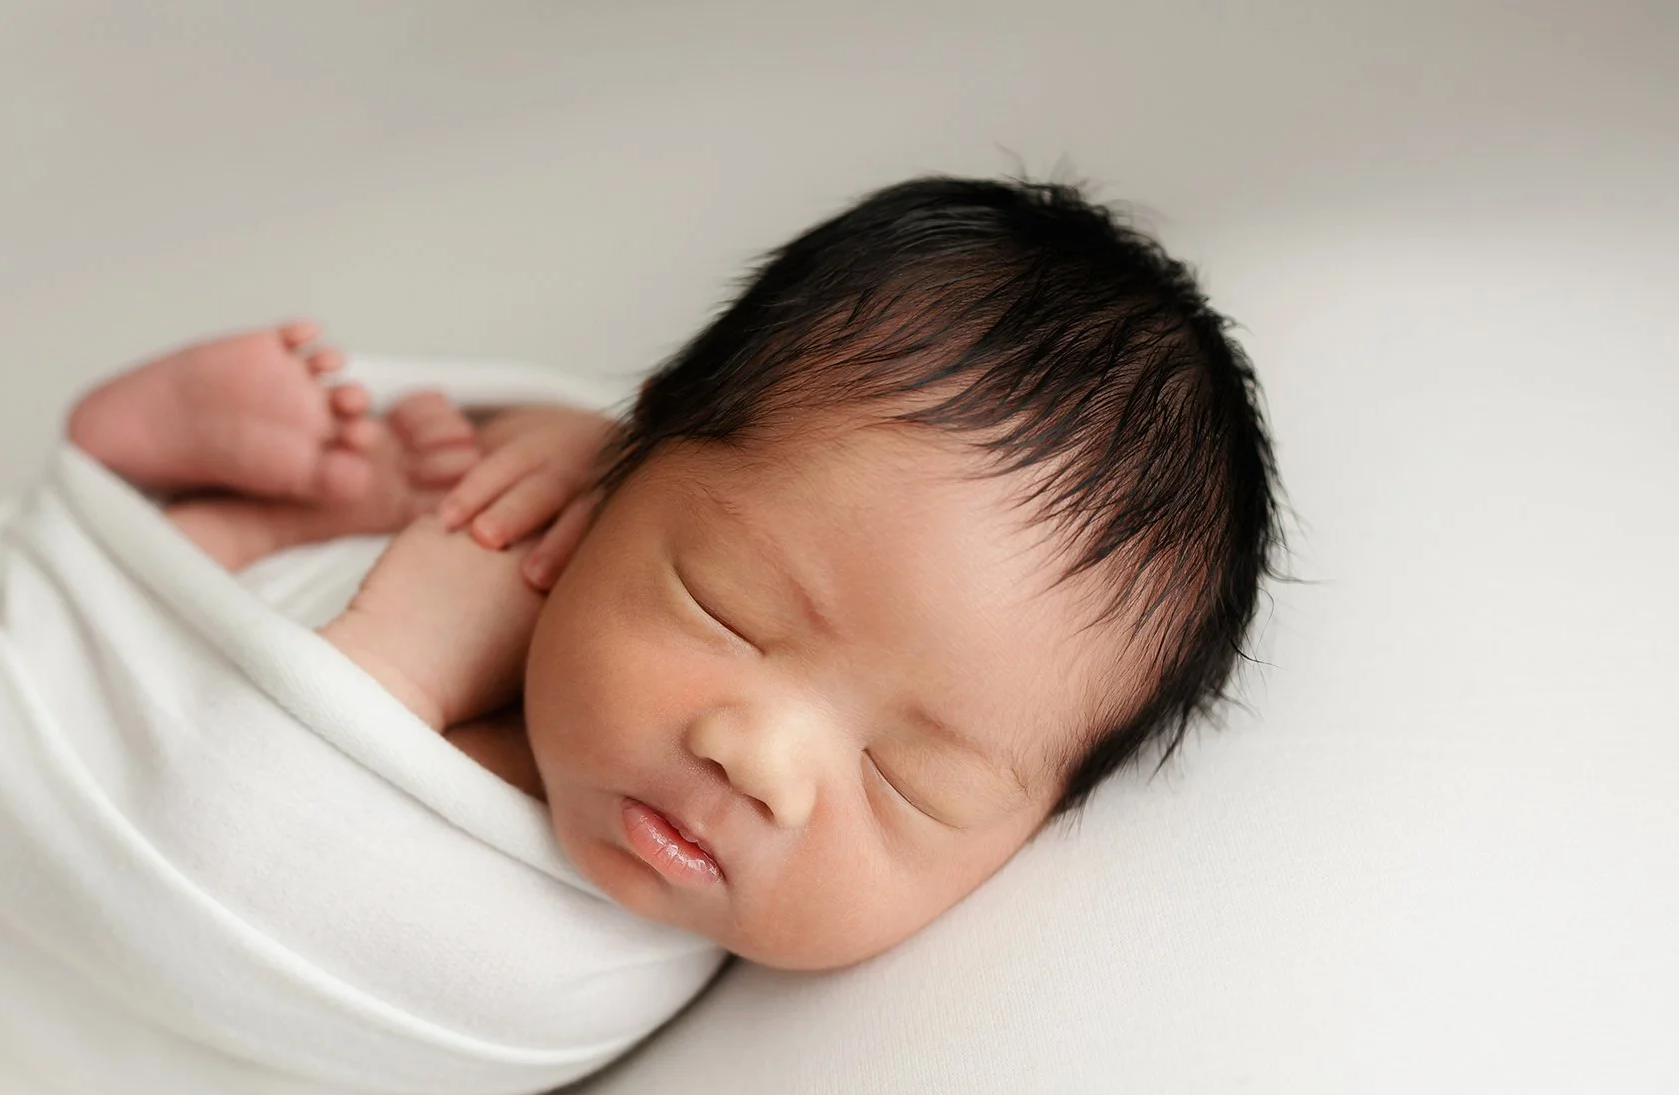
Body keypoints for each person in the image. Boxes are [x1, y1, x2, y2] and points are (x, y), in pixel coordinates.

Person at [67, 175, 1282, 971]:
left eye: (910, 781)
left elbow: (249, 914)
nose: (758, 762)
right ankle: (209, 501)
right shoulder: (573, 538)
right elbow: (183, 830)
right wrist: (442, 597)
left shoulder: (627, 962)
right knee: (488, 520)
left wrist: (409, 662)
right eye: (730, 611)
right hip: (86, 761)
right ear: (633, 446)